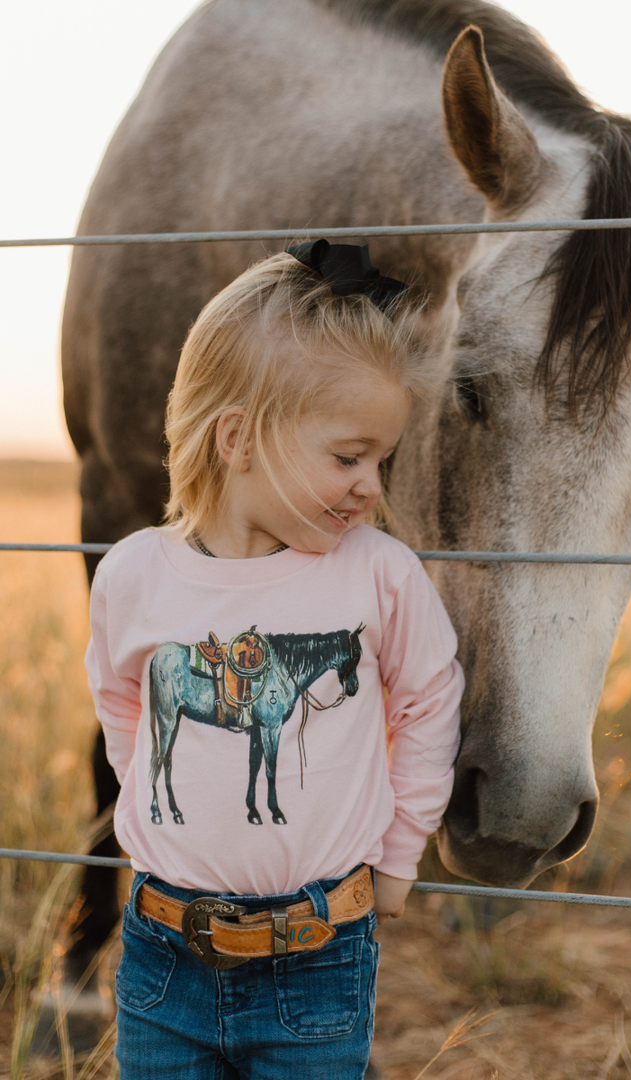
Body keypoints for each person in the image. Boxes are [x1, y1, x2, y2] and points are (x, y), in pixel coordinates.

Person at [85, 241, 464, 1080]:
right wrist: (154, 807)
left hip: (317, 952)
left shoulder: (378, 573)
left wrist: (399, 855)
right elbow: (122, 703)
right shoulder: (135, 574)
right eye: (347, 456)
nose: (371, 486)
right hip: (162, 950)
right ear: (238, 438)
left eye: (381, 460)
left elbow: (429, 703)